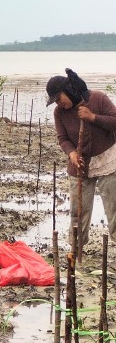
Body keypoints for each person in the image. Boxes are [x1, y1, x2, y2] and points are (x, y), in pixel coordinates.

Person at [47, 68, 116, 249]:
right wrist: (72, 153)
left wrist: (92, 117)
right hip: (80, 165)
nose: (59, 104)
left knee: (114, 208)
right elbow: (63, 139)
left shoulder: (98, 99)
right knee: (78, 212)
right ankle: (76, 250)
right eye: (55, 101)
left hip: (107, 161)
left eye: (59, 98)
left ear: (69, 90)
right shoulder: (59, 113)